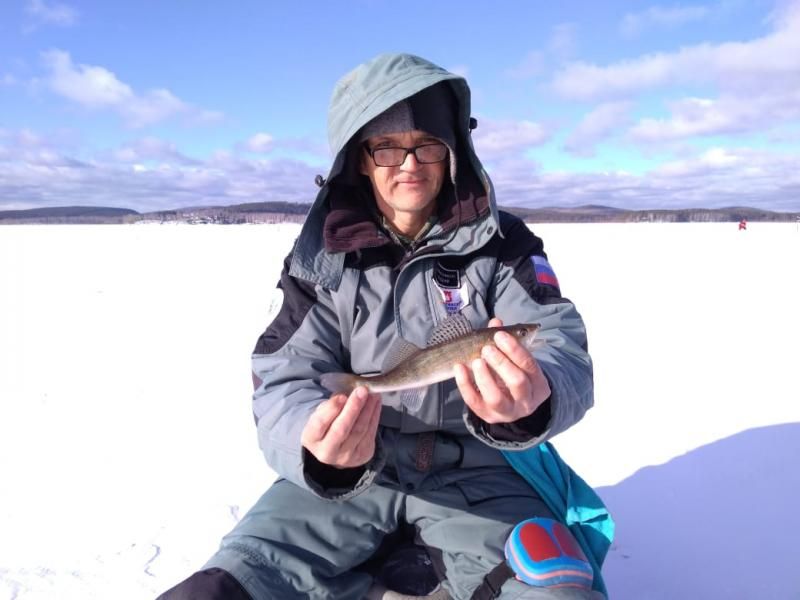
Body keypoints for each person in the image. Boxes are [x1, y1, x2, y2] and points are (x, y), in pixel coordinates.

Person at [158, 53, 601, 600]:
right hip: (355, 475)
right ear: (361, 160)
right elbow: (283, 375)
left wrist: (535, 397)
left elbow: (560, 344)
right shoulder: (320, 258)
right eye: (387, 147)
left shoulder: (505, 244)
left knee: (554, 591)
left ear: (452, 152)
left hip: (484, 471)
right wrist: (316, 444)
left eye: (427, 144)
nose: (408, 164)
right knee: (220, 590)